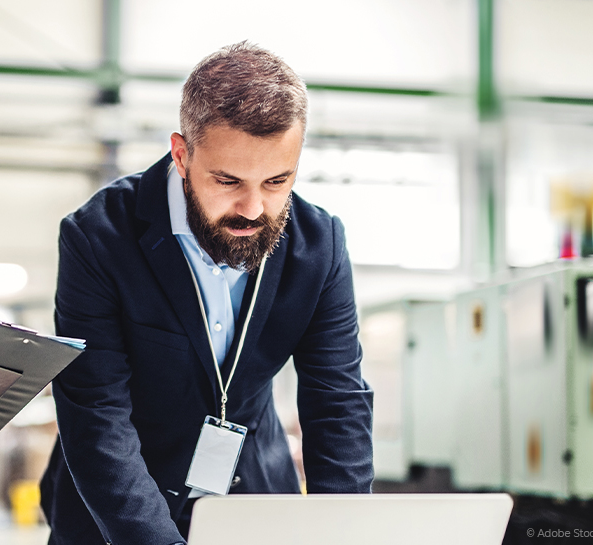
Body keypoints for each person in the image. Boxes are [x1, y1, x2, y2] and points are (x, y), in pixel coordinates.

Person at [40, 41, 374, 544]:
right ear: (181, 154)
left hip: (253, 502)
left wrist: (342, 533)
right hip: (116, 515)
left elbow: (337, 401)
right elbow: (97, 414)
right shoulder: (99, 237)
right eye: (228, 180)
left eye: (277, 181)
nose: (253, 208)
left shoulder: (319, 244)